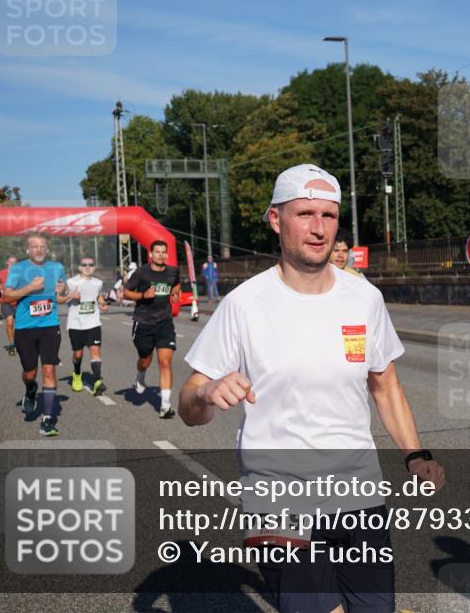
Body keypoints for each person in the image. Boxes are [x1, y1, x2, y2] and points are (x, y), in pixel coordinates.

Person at [178, 163, 445, 613]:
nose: (318, 228)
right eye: (305, 214)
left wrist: (415, 454)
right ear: (275, 219)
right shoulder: (244, 304)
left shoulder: (364, 299)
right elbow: (188, 404)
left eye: (328, 215)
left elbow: (386, 386)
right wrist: (206, 394)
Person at [2, 234, 68, 437]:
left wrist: (63, 289)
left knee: (49, 370)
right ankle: (30, 389)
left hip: (50, 326)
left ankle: (47, 420)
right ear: (28, 249)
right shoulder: (19, 269)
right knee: (30, 373)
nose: (39, 250)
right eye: (34, 246)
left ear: (47, 249)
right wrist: (29, 288)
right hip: (25, 329)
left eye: (42, 246)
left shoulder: (57, 268)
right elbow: (6, 296)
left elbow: (61, 295)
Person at [123, 241, 180, 418]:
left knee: (165, 361)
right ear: (151, 254)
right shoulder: (141, 273)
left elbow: (176, 284)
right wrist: (143, 295)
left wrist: (175, 292)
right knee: (145, 360)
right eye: (158, 252)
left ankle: (165, 405)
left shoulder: (172, 271)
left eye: (164, 252)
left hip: (164, 322)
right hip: (144, 322)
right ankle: (140, 376)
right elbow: (126, 293)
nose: (161, 255)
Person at [61, 256, 109, 395]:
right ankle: (77, 374)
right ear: (80, 267)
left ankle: (97, 381)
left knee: (95, 351)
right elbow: (58, 298)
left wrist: (102, 303)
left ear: (94, 267)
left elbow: (98, 296)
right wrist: (70, 296)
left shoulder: (98, 282)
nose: (88, 267)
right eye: (84, 265)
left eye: (91, 265)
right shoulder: (70, 282)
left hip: (93, 323)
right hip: (76, 325)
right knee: (78, 354)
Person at [0, 257, 18, 355]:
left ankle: (21, 342)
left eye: (15, 262)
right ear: (7, 263)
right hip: (6, 302)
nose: (13, 263)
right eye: (11, 262)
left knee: (20, 325)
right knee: (10, 322)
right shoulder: (1, 273)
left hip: (19, 302)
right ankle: (12, 344)